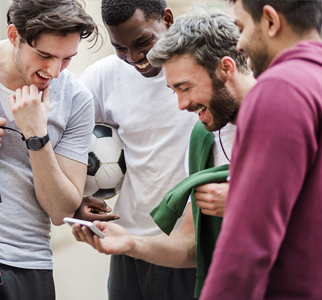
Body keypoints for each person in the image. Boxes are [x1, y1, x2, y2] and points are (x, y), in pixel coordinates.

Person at [72, 8, 256, 298]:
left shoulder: (280, 115)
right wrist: (131, 243)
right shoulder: (202, 137)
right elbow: (189, 245)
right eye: (173, 91)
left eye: (185, 88)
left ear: (227, 68)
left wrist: (244, 201)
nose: (181, 105)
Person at [75, 1, 198, 299]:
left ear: (167, 20)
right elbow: (64, 141)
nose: (134, 57)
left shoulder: (201, 70)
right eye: (120, 48)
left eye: (143, 42)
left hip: (189, 249)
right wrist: (75, 201)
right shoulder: (102, 77)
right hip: (127, 244)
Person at [200, 1, 322, 299]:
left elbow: (249, 240)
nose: (239, 44)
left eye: (241, 27)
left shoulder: (279, 89)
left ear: (270, 20)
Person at [0, 0, 99, 299]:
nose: (54, 71)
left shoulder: (76, 99)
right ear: (15, 35)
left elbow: (61, 210)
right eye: (44, 55)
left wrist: (36, 136)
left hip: (27, 263)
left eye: (67, 58)